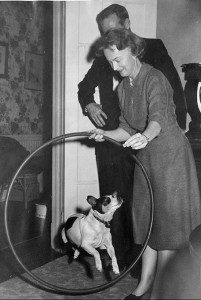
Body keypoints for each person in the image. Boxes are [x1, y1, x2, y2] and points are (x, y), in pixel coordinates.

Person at [89, 28, 201, 299]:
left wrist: (145, 136)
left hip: (170, 158)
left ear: (132, 50)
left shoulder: (154, 78)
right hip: (147, 160)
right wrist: (105, 134)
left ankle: (158, 294)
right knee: (151, 224)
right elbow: (126, 128)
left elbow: (159, 117)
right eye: (110, 63)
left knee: (168, 231)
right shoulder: (123, 89)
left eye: (118, 60)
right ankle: (142, 288)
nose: (115, 67)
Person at [78, 4, 187, 270]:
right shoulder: (121, 81)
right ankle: (132, 268)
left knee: (162, 219)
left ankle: (160, 281)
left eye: (117, 60)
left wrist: (160, 133)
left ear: (127, 31)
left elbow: (164, 103)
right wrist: (98, 121)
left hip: (159, 142)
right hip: (124, 142)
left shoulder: (153, 69)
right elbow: (121, 120)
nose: (113, 66)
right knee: (136, 213)